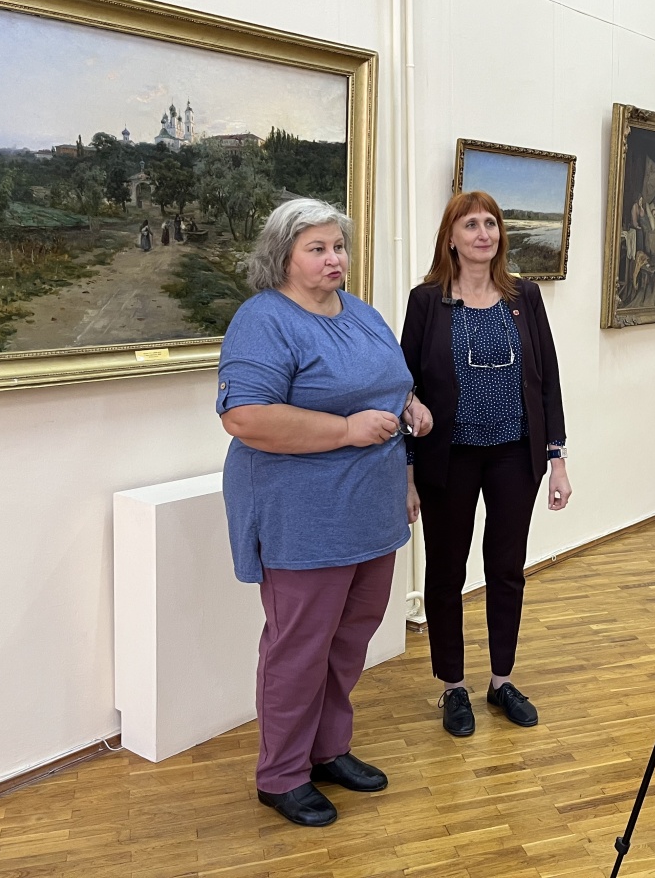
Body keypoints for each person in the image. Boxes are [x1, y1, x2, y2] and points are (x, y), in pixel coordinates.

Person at [217, 198, 433, 828]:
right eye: (318, 249)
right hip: (303, 517)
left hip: (372, 509)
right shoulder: (264, 321)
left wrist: (410, 406)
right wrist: (345, 430)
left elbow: (387, 385)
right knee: (299, 648)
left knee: (349, 639)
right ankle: (281, 774)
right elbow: (245, 417)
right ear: (282, 256)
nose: (335, 258)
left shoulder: (361, 315)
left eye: (338, 246)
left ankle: (327, 748)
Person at [401, 190, 572, 738]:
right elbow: (405, 390)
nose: (483, 234)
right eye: (470, 224)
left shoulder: (524, 297)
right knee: (446, 572)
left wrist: (557, 458)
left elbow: (547, 380)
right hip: (447, 457)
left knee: (506, 569)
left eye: (491, 224)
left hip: (514, 455)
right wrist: (405, 473)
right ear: (450, 236)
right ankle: (453, 686)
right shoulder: (427, 301)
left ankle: (501, 681)